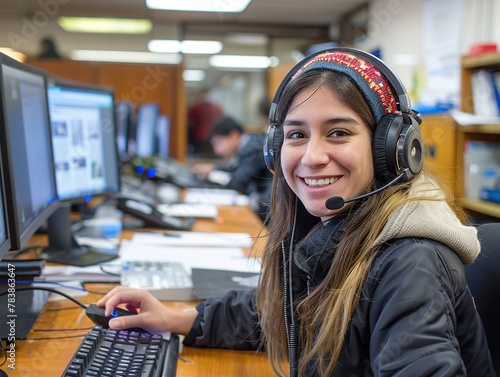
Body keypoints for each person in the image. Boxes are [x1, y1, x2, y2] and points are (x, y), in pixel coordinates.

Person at [97, 48, 495, 376]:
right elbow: (281, 311)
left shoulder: (409, 261)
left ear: (390, 149)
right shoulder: (336, 227)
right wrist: (174, 318)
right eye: (296, 135)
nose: (312, 156)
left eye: (338, 132)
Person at [191, 115, 272, 220]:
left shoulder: (254, 149)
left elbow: (239, 183)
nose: (217, 151)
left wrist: (212, 174)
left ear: (234, 135)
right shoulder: (249, 144)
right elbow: (235, 169)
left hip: (267, 212)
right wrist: (213, 168)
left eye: (218, 143)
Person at [187, 89, 223, 156]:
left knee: (199, 155)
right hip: (213, 137)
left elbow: (187, 118)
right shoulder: (217, 108)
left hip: (199, 137)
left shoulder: (197, 106)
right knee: (213, 155)